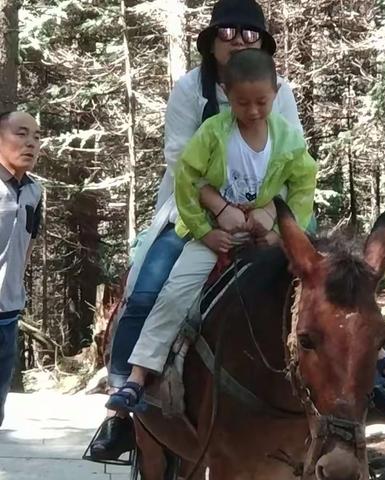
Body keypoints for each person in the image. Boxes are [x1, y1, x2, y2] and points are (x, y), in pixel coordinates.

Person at [88, 0, 303, 461]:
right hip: (192, 208)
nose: (239, 40)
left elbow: (294, 156)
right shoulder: (191, 89)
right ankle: (122, 409)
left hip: (269, 206)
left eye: (250, 34)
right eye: (229, 31)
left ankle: (366, 382)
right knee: (146, 288)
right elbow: (179, 159)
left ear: (263, 42)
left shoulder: (280, 89)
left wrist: (266, 214)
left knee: (332, 274)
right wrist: (221, 210)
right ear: (211, 39)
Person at [106, 48, 317, 413]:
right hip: (214, 235)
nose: (252, 111)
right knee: (174, 293)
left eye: (262, 102)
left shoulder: (287, 138)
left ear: (276, 93)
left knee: (317, 287)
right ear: (226, 94)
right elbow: (186, 179)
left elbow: (303, 183)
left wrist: (280, 232)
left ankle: (363, 372)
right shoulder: (213, 132)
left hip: (263, 236)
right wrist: (206, 230)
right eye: (241, 102)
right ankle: (138, 376)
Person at [0, 111, 42, 427]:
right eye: (21, 133)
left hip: (8, 315)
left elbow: (27, 244)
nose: (30, 143)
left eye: (36, 137)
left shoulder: (34, 191)